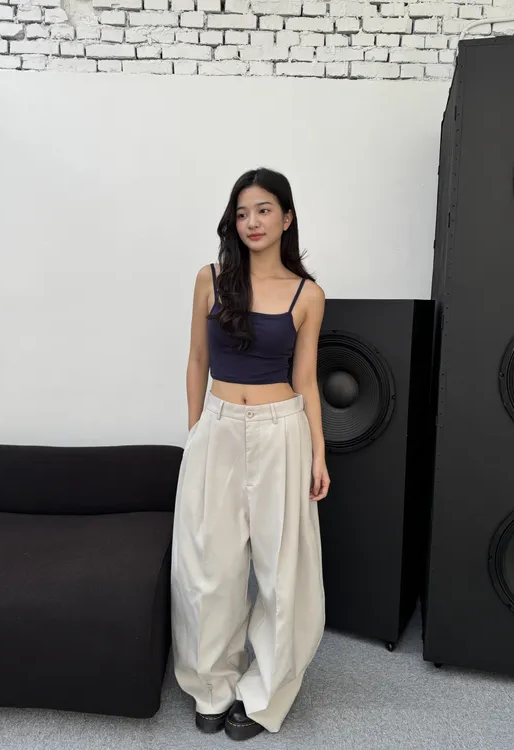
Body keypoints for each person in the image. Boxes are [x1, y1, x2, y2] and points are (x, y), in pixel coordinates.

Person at [170, 167, 330, 741]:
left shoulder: (307, 294)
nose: (252, 222)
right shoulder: (210, 279)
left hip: (280, 431)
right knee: (209, 567)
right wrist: (197, 432)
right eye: (242, 213)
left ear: (286, 218)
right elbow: (196, 359)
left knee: (283, 573)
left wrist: (319, 453)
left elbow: (306, 379)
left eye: (263, 210)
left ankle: (264, 695)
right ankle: (211, 685)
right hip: (217, 428)